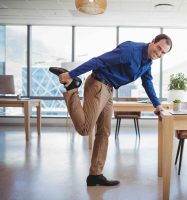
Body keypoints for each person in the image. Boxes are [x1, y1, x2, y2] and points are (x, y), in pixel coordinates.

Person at [49, 34, 172, 187]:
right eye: (158, 48)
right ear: (152, 41)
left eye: (163, 52)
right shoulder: (130, 50)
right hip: (98, 84)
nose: (159, 53)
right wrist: (71, 74)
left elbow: (147, 82)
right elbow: (98, 61)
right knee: (85, 128)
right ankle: (72, 87)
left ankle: (95, 174)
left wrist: (157, 105)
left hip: (109, 89)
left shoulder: (147, 62)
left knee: (104, 131)